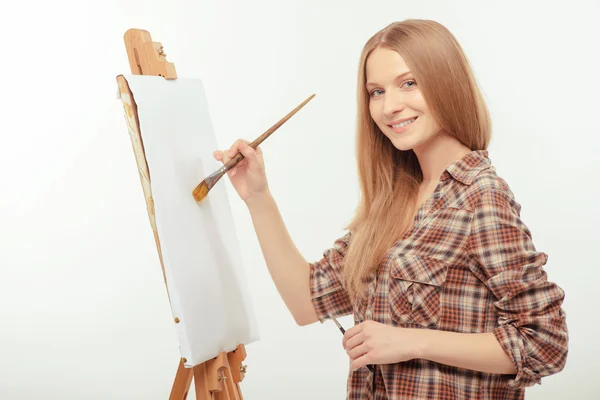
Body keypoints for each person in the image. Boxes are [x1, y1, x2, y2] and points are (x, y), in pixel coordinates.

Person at [213, 19, 568, 400]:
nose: (390, 107)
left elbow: (545, 342)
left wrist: (412, 342)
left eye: (408, 83)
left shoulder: (481, 196)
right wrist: (257, 196)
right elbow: (306, 300)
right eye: (376, 91)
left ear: (447, 82)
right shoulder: (393, 202)